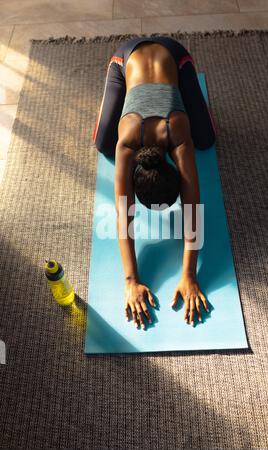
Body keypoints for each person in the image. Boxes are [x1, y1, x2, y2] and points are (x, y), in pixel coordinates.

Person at [92, 35, 216, 330]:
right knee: (102, 144)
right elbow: (125, 214)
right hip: (125, 57)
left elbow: (193, 209)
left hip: (174, 55)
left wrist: (190, 275)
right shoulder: (128, 141)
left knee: (207, 139)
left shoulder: (177, 131)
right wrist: (130, 281)